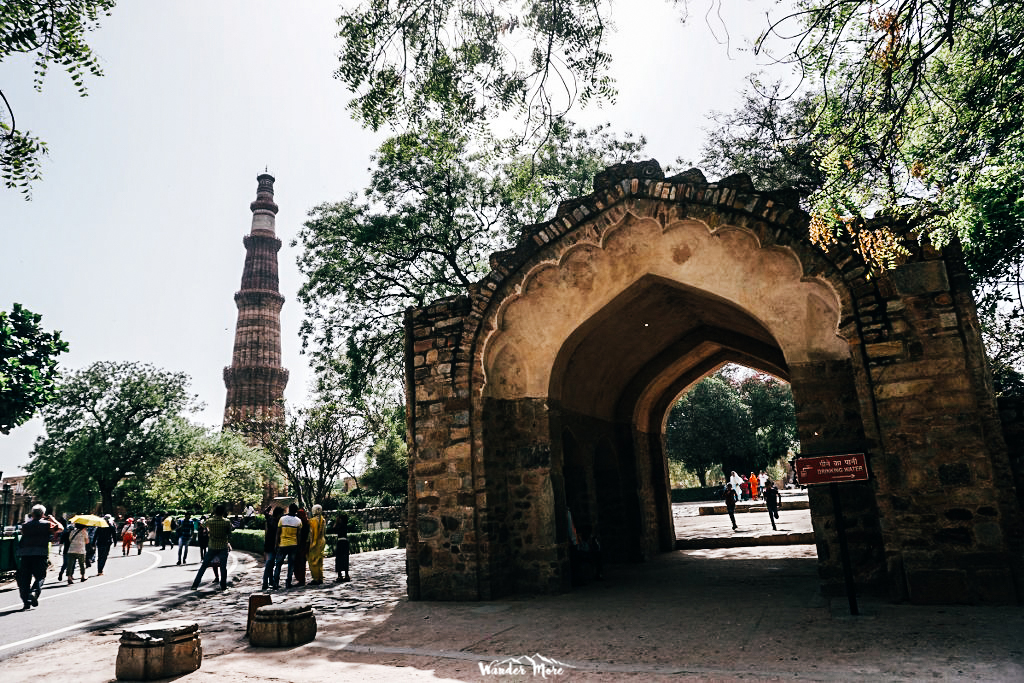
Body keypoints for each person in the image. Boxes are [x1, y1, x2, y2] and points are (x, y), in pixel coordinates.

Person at [16, 505, 63, 609]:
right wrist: (52, 519)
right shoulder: (47, 524)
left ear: (32, 514)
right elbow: (60, 528)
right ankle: (34, 592)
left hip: (25, 554)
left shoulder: (25, 525)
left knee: (25, 579)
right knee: (40, 576)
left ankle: (26, 602)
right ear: (43, 514)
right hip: (40, 554)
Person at [190, 504, 233, 590]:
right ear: (223, 512)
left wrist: (209, 532)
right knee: (223, 568)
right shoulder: (226, 522)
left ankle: (195, 585)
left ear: (215, 512)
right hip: (223, 546)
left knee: (203, 566)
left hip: (212, 546)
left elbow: (203, 525)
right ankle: (223, 586)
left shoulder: (209, 521)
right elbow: (229, 533)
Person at [273, 504, 303, 588]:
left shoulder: (282, 519)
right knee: (291, 564)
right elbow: (298, 535)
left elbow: (278, 533)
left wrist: (276, 544)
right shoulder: (298, 521)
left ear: (289, 509)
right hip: (293, 545)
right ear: (296, 511)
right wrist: (299, 546)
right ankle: (288, 582)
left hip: (282, 544)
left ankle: (276, 582)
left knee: (278, 564)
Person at [262, 506, 283, 590]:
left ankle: (269, 582)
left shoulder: (270, 519)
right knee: (270, 564)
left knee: (270, 564)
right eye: (281, 514)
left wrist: (268, 509)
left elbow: (265, 513)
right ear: (278, 514)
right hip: (274, 545)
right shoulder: (277, 522)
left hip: (268, 544)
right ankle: (266, 583)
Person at [306, 504, 327, 585]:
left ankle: (315, 578)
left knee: (313, 561)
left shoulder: (311, 521)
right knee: (320, 560)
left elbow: (310, 534)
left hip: (314, 543)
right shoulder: (323, 520)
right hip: (321, 541)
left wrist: (309, 543)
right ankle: (320, 577)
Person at [330, 512, 350, 583]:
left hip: (340, 542)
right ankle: (346, 575)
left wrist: (336, 522)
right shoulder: (345, 525)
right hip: (346, 542)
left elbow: (333, 529)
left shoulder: (339, 525)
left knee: (339, 559)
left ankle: (340, 575)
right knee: (345, 558)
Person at [293, 507, 310, 586]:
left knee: (298, 562)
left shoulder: (299, 523)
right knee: (302, 563)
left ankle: (300, 579)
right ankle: (301, 578)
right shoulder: (307, 523)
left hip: (299, 545)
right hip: (304, 545)